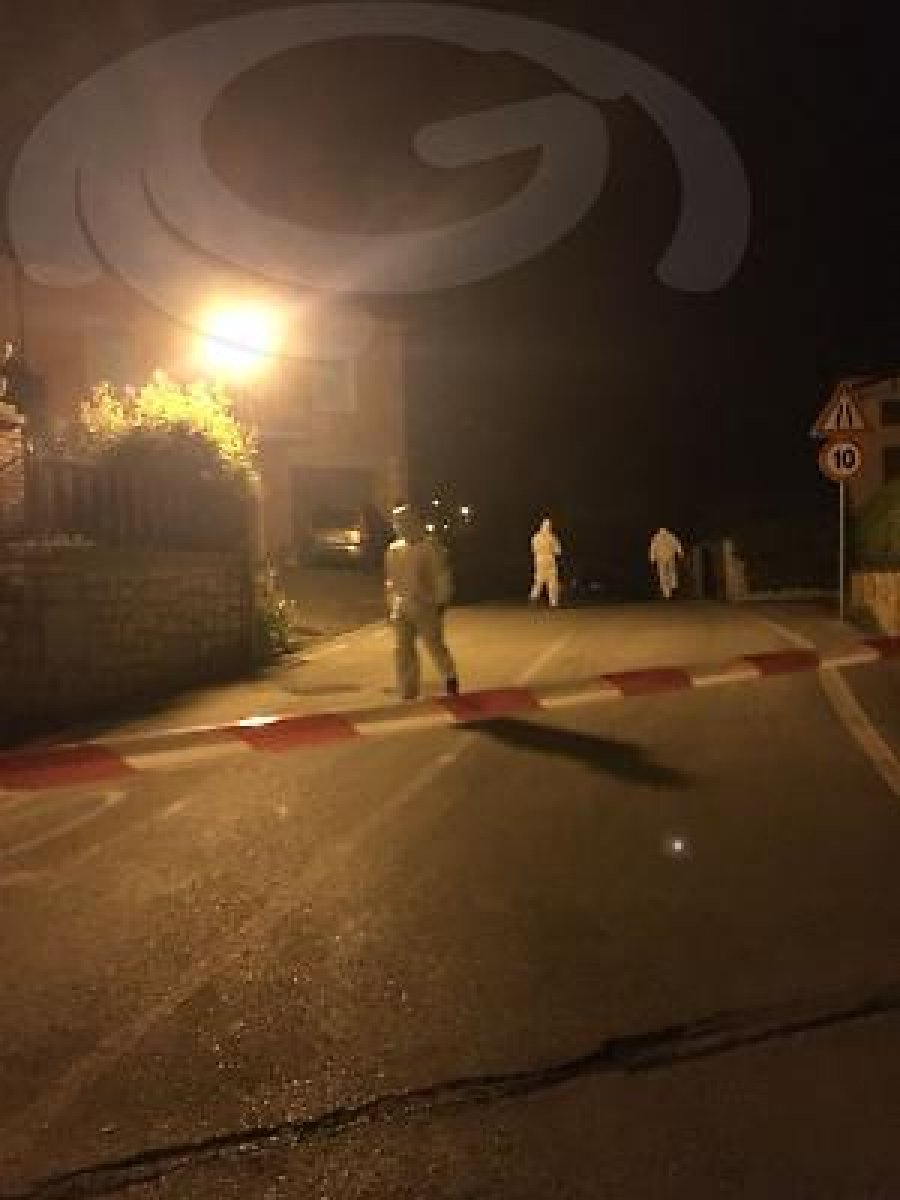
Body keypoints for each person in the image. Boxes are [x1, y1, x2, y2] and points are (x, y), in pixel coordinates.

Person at [385, 503, 459, 701]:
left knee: (434, 644)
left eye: (404, 521)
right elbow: (390, 580)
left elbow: (441, 575)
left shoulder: (430, 547)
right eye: (397, 522)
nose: (400, 526)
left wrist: (441, 601)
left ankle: (450, 678)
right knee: (403, 649)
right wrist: (391, 605)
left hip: (425, 605)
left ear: (414, 522)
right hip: (402, 606)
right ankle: (408, 690)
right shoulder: (393, 549)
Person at [530, 517, 562, 607]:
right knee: (552, 581)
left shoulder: (535, 537)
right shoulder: (552, 538)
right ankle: (553, 601)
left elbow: (533, 549)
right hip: (550, 560)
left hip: (539, 560)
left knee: (538, 580)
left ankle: (534, 597)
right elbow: (558, 551)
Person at [649, 526, 684, 599]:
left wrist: (680, 552)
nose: (663, 534)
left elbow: (677, 543)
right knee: (663, 573)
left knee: (671, 571)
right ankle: (666, 590)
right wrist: (652, 558)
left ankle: (672, 585)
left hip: (669, 556)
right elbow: (653, 547)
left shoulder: (670, 536)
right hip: (661, 558)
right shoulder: (657, 538)